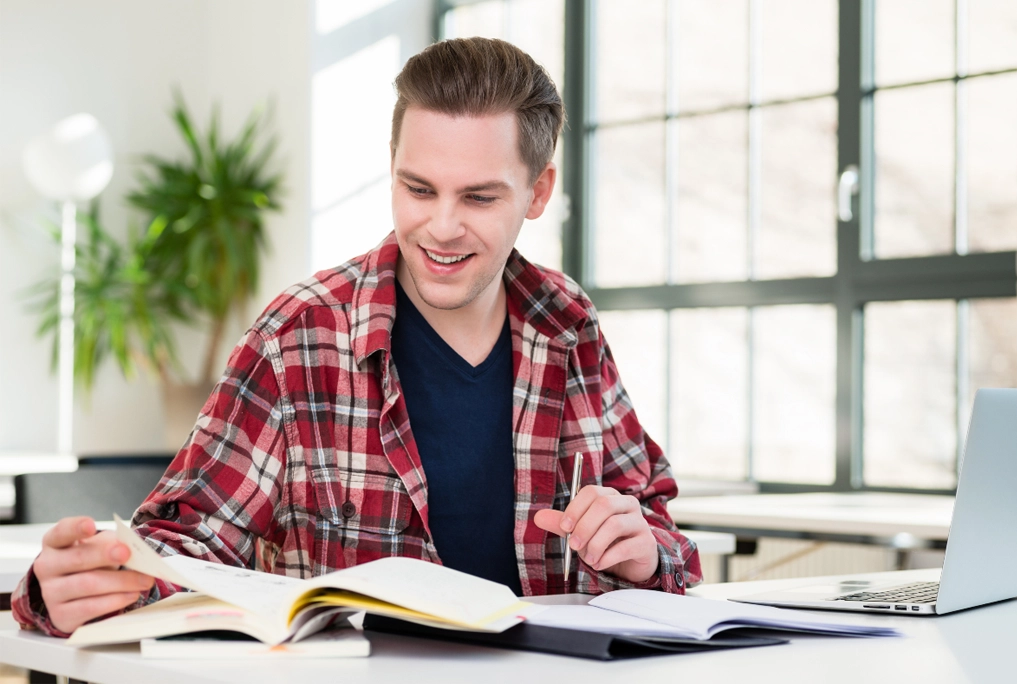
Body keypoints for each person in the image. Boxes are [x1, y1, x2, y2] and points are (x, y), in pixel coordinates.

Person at [13, 37, 702, 637]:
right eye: (419, 189)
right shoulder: (298, 334)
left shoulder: (567, 325)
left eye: (480, 198)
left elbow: (666, 539)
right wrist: (75, 588)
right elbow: (182, 544)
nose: (441, 227)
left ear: (539, 191)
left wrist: (641, 552)